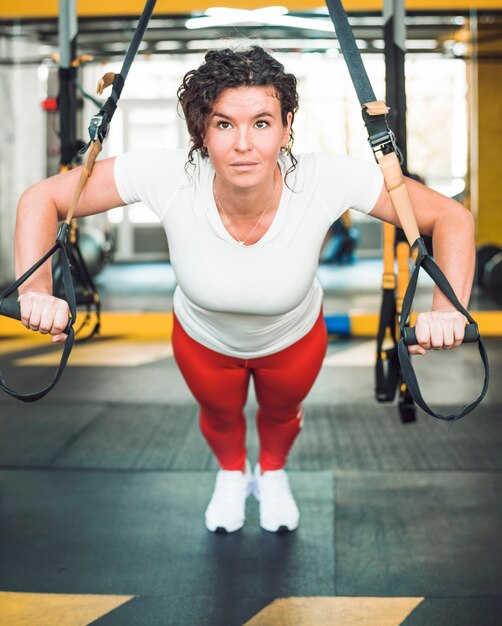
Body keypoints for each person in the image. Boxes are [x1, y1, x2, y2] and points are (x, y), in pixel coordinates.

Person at [14, 46, 474, 534]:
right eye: (223, 124)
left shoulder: (325, 178)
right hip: (202, 341)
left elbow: (450, 218)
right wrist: (37, 289)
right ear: (201, 131)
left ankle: (272, 474)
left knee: (280, 416)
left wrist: (449, 308)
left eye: (261, 122)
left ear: (286, 125)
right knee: (220, 416)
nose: (243, 145)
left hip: (294, 339)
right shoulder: (167, 174)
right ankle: (232, 474)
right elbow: (42, 199)